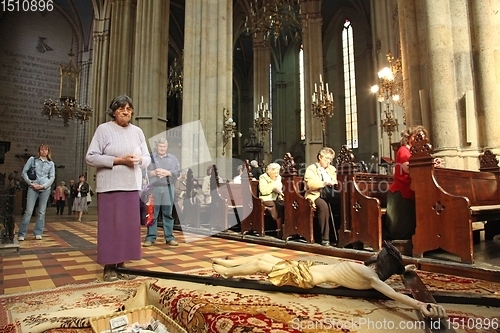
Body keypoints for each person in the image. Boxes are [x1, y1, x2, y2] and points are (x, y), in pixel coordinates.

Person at [212, 241, 447, 319]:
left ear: (381, 262)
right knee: (264, 256)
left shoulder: (369, 276)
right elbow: (390, 274)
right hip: (311, 268)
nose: (376, 252)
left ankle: (227, 273)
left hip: (307, 277)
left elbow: (393, 294)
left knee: (262, 265)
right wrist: (405, 268)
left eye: (380, 254)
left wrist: (420, 305)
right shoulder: (368, 269)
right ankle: (228, 264)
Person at [86, 94, 151, 282]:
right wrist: (118, 160)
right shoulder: (104, 130)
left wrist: (139, 160)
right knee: (111, 226)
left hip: (131, 185)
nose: (126, 111)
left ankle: (122, 265)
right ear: (114, 111)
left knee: (127, 227)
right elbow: (91, 157)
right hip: (110, 186)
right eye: (122, 108)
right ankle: (109, 267)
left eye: (129, 109)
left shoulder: (137, 132)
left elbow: (147, 158)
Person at [384, 125, 428, 240]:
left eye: (422, 137)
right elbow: (407, 168)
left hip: (411, 191)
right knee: (403, 228)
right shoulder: (403, 150)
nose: (419, 139)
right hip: (401, 193)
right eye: (416, 136)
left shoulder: (415, 152)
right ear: (409, 137)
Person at [143, 137, 181, 247]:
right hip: (153, 188)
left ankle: (169, 237)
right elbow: (142, 171)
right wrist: (153, 173)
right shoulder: (150, 158)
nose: (162, 148)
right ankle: (150, 238)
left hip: (168, 187)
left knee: (168, 213)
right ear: (156, 147)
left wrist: (169, 172)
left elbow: (178, 172)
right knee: (152, 214)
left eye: (164, 146)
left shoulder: (173, 159)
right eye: (160, 146)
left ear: (167, 147)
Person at [18, 144, 55, 241]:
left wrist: (43, 186)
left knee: (41, 212)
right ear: (39, 151)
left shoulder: (51, 164)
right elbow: (24, 172)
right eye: (42, 149)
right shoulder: (32, 160)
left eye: (46, 150)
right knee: (28, 211)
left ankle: (38, 232)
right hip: (33, 188)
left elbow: (52, 177)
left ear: (48, 151)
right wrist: (31, 183)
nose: (44, 151)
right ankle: (22, 233)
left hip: (45, 189)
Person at [304, 147, 338, 246]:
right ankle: (325, 237)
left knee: (343, 203)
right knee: (324, 206)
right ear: (320, 157)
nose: (329, 161)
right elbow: (310, 185)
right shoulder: (311, 168)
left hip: (330, 194)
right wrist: (324, 183)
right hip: (315, 195)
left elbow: (335, 181)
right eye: (326, 158)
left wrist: (333, 182)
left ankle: (339, 234)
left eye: (330, 159)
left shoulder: (332, 169)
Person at [258, 162, 284, 230]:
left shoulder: (278, 177)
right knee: (277, 205)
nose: (276, 175)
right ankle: (279, 227)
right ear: (269, 172)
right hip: (266, 199)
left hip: (277, 198)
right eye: (275, 173)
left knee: (286, 205)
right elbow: (263, 191)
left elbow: (279, 187)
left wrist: (279, 191)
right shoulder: (263, 177)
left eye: (277, 172)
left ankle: (285, 225)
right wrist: (273, 187)